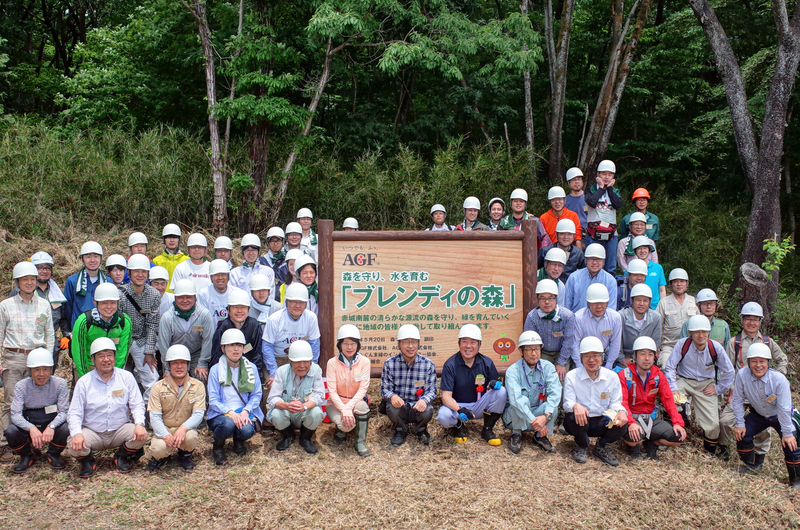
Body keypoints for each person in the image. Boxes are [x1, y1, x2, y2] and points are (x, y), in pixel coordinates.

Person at [718, 302, 789, 463]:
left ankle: (759, 457)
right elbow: (726, 369)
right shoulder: (734, 342)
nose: (751, 323)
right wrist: (731, 389)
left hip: (763, 392)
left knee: (764, 426)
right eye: (748, 319)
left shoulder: (767, 342)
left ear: (760, 322)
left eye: (755, 319)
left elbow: (782, 359)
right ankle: (724, 449)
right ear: (742, 320)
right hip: (741, 391)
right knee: (725, 421)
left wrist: (776, 379)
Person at [67, 337, 147, 478]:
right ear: (93, 360)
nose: (106, 359)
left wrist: (139, 423)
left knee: (141, 436)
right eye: (101, 356)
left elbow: (137, 404)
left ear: (115, 357)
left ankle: (121, 456)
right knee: (73, 444)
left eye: (109, 355)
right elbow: (74, 412)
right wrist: (77, 433)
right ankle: (87, 461)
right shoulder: (84, 382)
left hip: (119, 430)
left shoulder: (126, 377)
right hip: (93, 432)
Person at [664, 315, 734, 456]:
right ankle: (671, 436)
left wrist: (718, 388)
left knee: (713, 424)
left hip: (706, 384)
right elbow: (670, 367)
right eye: (696, 332)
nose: (700, 335)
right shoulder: (683, 344)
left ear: (709, 332)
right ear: (690, 333)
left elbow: (729, 371)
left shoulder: (715, 348)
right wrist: (674, 389)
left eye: (704, 332)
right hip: (684, 380)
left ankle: (710, 451)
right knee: (670, 401)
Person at [732, 343, 800, 487]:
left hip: (782, 415)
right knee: (742, 434)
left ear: (768, 363)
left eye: (762, 361)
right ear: (749, 362)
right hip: (759, 414)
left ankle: (796, 480)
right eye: (754, 361)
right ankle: (752, 465)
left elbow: (784, 408)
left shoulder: (779, 380)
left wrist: (787, 433)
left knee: (792, 444)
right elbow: (737, 399)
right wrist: (739, 423)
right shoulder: (742, 375)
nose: (758, 365)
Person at [436, 324, 507, 445]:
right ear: (459, 344)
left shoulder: (486, 362)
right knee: (443, 416)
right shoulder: (450, 365)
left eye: (473, 342)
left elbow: (496, 384)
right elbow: (446, 397)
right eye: (464, 342)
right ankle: (457, 426)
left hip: (480, 406)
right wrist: (460, 409)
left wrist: (495, 383)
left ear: (479, 345)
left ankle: (488, 429)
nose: (468, 346)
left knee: (501, 392)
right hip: (458, 407)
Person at [563, 337, 628, 466]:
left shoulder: (612, 377)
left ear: (602, 357)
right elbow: (567, 403)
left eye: (596, 356)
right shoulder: (572, 376)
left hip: (602, 421)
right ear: (581, 358)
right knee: (571, 418)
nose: (591, 360)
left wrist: (621, 411)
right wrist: (576, 406)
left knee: (622, 424)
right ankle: (582, 445)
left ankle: (601, 446)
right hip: (582, 421)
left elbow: (615, 402)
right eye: (587, 356)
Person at [3, 348, 68, 473]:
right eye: (36, 369)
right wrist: (31, 428)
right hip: (30, 420)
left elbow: (64, 411)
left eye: (45, 369)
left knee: (66, 428)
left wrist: (52, 426)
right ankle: (27, 455)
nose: (41, 374)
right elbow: (15, 414)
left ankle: (53, 454)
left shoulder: (60, 384)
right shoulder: (21, 386)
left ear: (51, 369)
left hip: (51, 419)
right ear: (30, 371)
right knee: (11, 431)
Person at [619, 337, 686, 459]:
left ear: (655, 356)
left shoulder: (658, 375)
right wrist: (631, 423)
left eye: (650, 354)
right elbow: (622, 402)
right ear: (634, 356)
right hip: (632, 418)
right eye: (642, 354)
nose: (646, 358)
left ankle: (651, 443)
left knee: (678, 437)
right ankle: (633, 445)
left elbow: (668, 399)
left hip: (650, 419)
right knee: (634, 437)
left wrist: (677, 423)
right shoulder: (624, 375)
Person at [206, 329, 264, 465]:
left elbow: (256, 394)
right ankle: (218, 447)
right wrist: (231, 413)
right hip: (221, 413)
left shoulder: (252, 368)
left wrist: (246, 410)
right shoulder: (215, 369)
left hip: (243, 411)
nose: (236, 349)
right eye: (231, 345)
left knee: (246, 430)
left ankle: (238, 441)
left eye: (239, 345)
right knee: (228, 424)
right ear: (223, 348)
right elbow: (213, 400)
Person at [146, 344, 206, 471]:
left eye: (183, 363)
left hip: (185, 428)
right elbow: (154, 416)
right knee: (158, 449)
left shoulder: (198, 386)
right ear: (168, 366)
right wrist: (166, 436)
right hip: (164, 428)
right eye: (175, 363)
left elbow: (198, 414)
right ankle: (161, 458)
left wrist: (183, 429)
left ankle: (184, 455)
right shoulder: (158, 387)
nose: (179, 367)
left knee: (191, 438)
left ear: (188, 365)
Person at [503, 331, 561, 454]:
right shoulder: (512, 371)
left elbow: (555, 392)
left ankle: (540, 436)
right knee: (520, 401)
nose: (533, 353)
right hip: (516, 417)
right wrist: (536, 422)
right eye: (529, 349)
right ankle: (516, 434)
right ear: (521, 351)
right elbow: (516, 400)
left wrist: (545, 417)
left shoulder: (548, 367)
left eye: (536, 349)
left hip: (539, 414)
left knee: (551, 407)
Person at [9, 252, 69, 371]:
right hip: (25, 345)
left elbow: (63, 318)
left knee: (46, 379)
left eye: (47, 268)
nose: (44, 271)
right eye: (39, 268)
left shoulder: (56, 293)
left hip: (49, 344)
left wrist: (66, 335)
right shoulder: (19, 291)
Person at [379, 324, 437, 446]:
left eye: (414, 342)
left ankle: (420, 430)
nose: (410, 346)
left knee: (428, 409)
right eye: (406, 342)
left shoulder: (428, 364)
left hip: (417, 407)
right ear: (399, 344)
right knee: (391, 407)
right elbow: (385, 389)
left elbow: (432, 391)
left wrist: (424, 400)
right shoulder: (390, 364)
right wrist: (393, 396)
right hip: (400, 407)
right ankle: (400, 430)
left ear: (418, 344)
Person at [267, 340, 325, 454]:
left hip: (305, 411)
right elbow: (272, 398)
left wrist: (304, 407)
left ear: (310, 361)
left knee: (317, 412)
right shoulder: (281, 371)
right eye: (297, 362)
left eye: (306, 361)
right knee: (275, 414)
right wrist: (286, 405)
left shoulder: (316, 370)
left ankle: (305, 438)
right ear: (290, 361)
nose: (302, 366)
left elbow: (319, 395)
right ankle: (288, 436)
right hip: (287, 412)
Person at [118, 254, 161, 403]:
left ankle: (148, 411)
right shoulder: (120, 294)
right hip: (122, 339)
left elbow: (152, 324)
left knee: (151, 377)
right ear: (129, 273)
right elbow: (117, 325)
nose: (140, 275)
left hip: (142, 339)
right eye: (136, 271)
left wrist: (149, 351)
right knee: (116, 374)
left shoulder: (154, 294)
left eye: (143, 271)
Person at [326, 325, 372, 457]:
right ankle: (341, 431)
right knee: (346, 426)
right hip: (336, 403)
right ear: (340, 345)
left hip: (356, 401)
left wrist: (349, 407)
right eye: (345, 343)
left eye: (353, 343)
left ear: (358, 345)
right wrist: (343, 409)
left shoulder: (364, 362)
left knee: (362, 407)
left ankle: (360, 442)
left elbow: (363, 388)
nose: (350, 347)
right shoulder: (332, 363)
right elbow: (332, 391)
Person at [261, 283, 321, 383]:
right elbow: (267, 347)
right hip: (277, 359)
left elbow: (314, 345)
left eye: (301, 302)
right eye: (293, 302)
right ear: (286, 302)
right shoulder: (274, 319)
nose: (297, 306)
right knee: (272, 387)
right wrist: (274, 372)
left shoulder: (311, 318)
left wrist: (311, 369)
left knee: (306, 387)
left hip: (301, 359)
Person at [70, 283, 131, 380]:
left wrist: (114, 375)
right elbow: (78, 352)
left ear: (118, 302)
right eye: (104, 303)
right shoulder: (84, 322)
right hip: (88, 366)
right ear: (95, 303)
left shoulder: (124, 321)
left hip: (112, 366)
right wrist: (85, 379)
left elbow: (122, 351)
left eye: (113, 302)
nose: (109, 307)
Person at [157, 279, 214, 381]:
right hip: (174, 356)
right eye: (181, 297)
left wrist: (202, 363)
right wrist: (167, 368)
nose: (185, 301)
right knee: (173, 381)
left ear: (195, 298)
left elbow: (208, 340)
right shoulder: (167, 318)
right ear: (175, 298)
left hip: (196, 354)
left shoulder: (204, 315)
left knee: (201, 377)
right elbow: (164, 345)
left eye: (189, 297)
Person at [524, 279, 576, 379]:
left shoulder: (567, 316)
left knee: (560, 379)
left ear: (556, 299)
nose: (547, 302)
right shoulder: (532, 316)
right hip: (541, 352)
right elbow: (530, 342)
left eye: (551, 298)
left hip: (561, 353)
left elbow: (569, 341)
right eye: (542, 298)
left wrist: (561, 363)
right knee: (541, 379)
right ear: (537, 299)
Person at [210, 290, 264, 376]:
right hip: (227, 371)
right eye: (235, 307)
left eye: (243, 307)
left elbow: (258, 354)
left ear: (248, 309)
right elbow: (216, 355)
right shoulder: (223, 327)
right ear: (228, 310)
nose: (239, 311)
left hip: (248, 370)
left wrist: (255, 376)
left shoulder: (254, 325)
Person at [570, 284, 622, 370]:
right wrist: (579, 366)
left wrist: (609, 365)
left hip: (604, 357)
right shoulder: (578, 317)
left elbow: (615, 344)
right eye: (595, 303)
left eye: (602, 303)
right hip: (583, 357)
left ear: (607, 303)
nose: (599, 307)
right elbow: (574, 344)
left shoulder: (615, 318)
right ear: (588, 303)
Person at [584, 160, 622, 275]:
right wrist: (601, 188)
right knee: (592, 265)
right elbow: (591, 201)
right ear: (598, 174)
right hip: (593, 233)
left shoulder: (615, 191)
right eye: (604, 173)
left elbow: (618, 204)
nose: (607, 177)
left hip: (611, 234)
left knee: (610, 267)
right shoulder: (590, 189)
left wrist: (609, 189)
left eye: (610, 174)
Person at [656, 268, 697, 368]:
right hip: (669, 346)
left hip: (691, 345)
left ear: (686, 284)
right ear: (670, 284)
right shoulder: (663, 303)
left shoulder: (693, 301)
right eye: (675, 282)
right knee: (666, 366)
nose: (679, 284)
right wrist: (656, 347)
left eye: (682, 281)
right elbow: (656, 327)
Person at [64, 241, 109, 328]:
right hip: (79, 329)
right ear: (82, 259)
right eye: (88, 257)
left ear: (101, 258)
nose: (92, 260)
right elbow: (67, 309)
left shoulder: (108, 282)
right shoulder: (72, 281)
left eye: (96, 256)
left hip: (102, 329)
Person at [563, 243, 618, 312]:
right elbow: (566, 305)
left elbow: (611, 310)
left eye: (598, 259)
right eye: (591, 259)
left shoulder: (610, 281)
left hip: (601, 321)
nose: (594, 262)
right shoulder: (574, 277)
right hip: (575, 320)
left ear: (603, 261)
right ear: (586, 260)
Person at [618, 284, 662, 368]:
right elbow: (616, 342)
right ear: (632, 300)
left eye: (645, 301)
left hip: (646, 360)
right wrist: (622, 359)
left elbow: (655, 343)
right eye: (638, 300)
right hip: (625, 359)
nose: (641, 304)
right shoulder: (621, 316)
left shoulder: (656, 317)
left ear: (649, 302)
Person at [197, 259, 247, 328]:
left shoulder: (237, 293)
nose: (220, 278)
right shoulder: (203, 294)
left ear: (228, 276)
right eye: (216, 275)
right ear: (211, 277)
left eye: (223, 274)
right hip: (211, 336)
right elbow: (199, 321)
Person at [630, 236, 666, 309]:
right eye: (639, 248)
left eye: (645, 248)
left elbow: (662, 289)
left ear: (649, 250)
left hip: (655, 308)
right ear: (635, 251)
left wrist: (663, 307)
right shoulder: (630, 269)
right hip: (637, 308)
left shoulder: (658, 268)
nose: (642, 251)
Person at [564, 167, 588, 246]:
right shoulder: (564, 201)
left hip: (589, 236)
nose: (576, 182)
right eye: (573, 180)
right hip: (571, 238)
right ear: (568, 183)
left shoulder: (589, 198)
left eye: (579, 179)